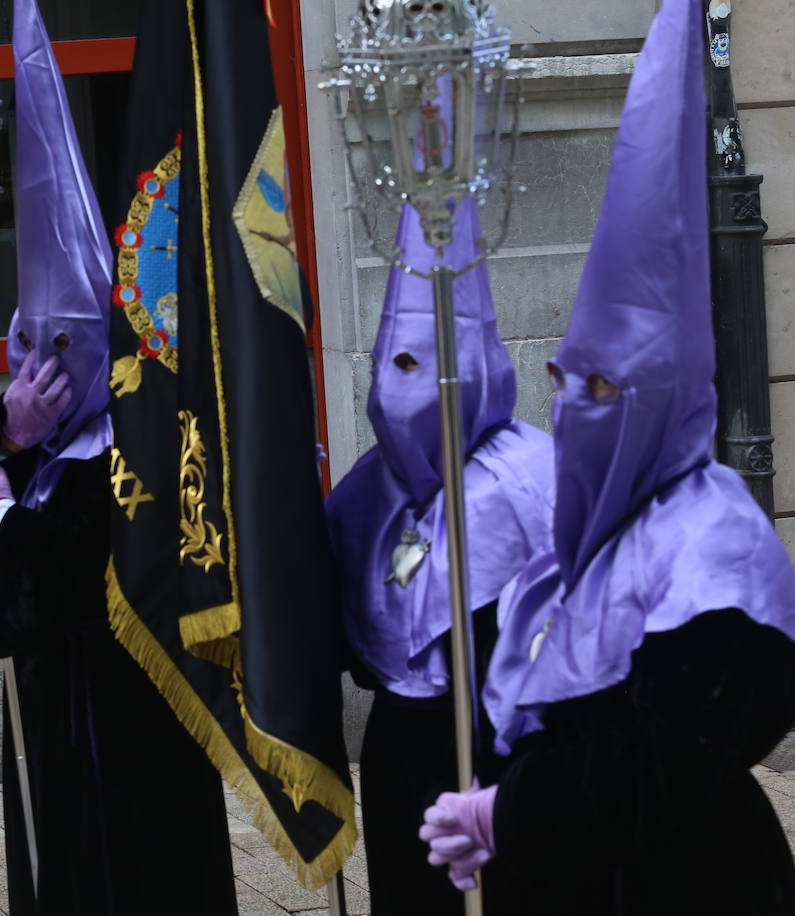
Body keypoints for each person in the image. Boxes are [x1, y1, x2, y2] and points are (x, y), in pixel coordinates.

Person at [419, 2, 795, 912]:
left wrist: (506, 819)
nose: (572, 408)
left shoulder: (715, 542)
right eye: (564, 379)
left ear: (664, 400)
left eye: (602, 390)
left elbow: (665, 761)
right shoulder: (581, 539)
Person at [0, 1, 237, 910]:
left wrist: (0, 521)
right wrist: (12, 434)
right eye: (25, 346)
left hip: (130, 718)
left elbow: (71, 581)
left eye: (58, 352)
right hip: (50, 714)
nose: (37, 370)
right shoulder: (31, 425)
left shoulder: (140, 443)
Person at [325, 194, 554, 915]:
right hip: (402, 757)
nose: (399, 393)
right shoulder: (368, 489)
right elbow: (347, 636)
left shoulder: (530, 479)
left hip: (506, 758)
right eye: (389, 365)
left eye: (423, 366)